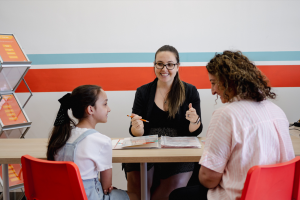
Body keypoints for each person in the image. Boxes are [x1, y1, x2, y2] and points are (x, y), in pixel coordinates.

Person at [169, 50, 295, 200]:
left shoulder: (226, 114)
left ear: (230, 81)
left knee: (178, 195)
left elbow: (209, 179)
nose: (212, 91)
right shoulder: (277, 111)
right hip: (277, 194)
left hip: (242, 196)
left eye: (214, 83)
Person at [123, 45, 203, 200]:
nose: (164, 69)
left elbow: (196, 131)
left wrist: (195, 121)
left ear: (178, 66)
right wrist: (136, 127)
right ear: (154, 65)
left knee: (168, 195)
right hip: (147, 148)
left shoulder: (190, 91)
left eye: (170, 64)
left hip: (178, 151)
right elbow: (135, 132)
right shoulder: (143, 92)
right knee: (139, 192)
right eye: (159, 64)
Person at [47, 85, 137, 200]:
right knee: (137, 196)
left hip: (62, 196)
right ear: (90, 109)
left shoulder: (60, 137)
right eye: (105, 104)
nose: (109, 109)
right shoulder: (102, 141)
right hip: (88, 197)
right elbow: (106, 186)